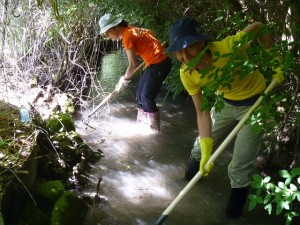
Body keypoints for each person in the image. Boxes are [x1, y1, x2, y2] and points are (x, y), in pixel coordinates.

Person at [164, 18, 284, 218]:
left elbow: (258, 27)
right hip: (225, 103)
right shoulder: (187, 73)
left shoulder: (228, 48)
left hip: (255, 104)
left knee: (239, 167)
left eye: (190, 48)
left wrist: (275, 60)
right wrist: (206, 150)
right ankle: (189, 183)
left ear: (202, 42)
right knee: (199, 147)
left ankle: (231, 218)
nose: (184, 57)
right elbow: (202, 111)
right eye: (179, 51)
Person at [98, 13, 172, 131]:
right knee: (139, 96)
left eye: (107, 33)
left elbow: (132, 65)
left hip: (160, 64)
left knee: (147, 97)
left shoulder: (128, 36)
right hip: (153, 63)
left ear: (114, 27)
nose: (108, 36)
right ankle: (143, 125)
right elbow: (150, 32)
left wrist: (124, 80)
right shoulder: (132, 30)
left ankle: (153, 131)